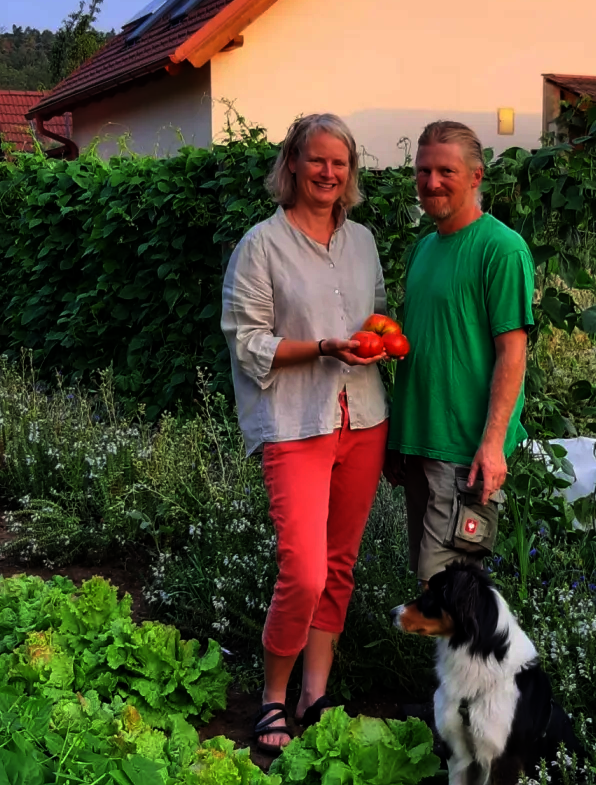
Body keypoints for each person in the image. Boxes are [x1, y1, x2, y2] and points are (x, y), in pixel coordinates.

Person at [220, 113, 389, 753]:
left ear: (350, 173)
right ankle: (272, 698)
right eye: (316, 160)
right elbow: (246, 341)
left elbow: (372, 317)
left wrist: (375, 344)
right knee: (305, 571)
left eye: (339, 163)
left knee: (340, 566)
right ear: (291, 163)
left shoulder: (364, 241)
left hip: (363, 418)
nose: (327, 172)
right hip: (295, 422)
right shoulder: (260, 245)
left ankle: (315, 694)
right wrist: (322, 347)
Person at [385, 120, 536, 584]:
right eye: (423, 171)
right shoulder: (423, 248)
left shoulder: (501, 249)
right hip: (420, 442)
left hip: (466, 453)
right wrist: (397, 437)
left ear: (476, 176)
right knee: (429, 585)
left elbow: (513, 354)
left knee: (448, 594)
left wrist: (492, 445)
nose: (431, 183)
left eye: (446, 171)